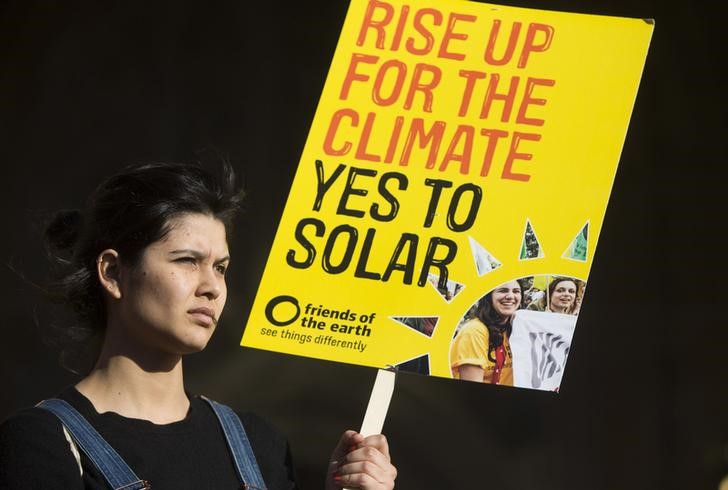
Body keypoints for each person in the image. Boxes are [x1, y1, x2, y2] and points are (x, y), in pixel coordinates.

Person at [0, 161, 396, 489]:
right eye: (187, 260)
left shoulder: (259, 444)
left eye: (220, 268)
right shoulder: (42, 443)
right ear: (113, 272)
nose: (212, 288)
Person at [449, 280, 521, 385]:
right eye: (502, 291)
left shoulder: (516, 330)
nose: (510, 296)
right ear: (488, 297)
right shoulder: (473, 332)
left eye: (516, 291)